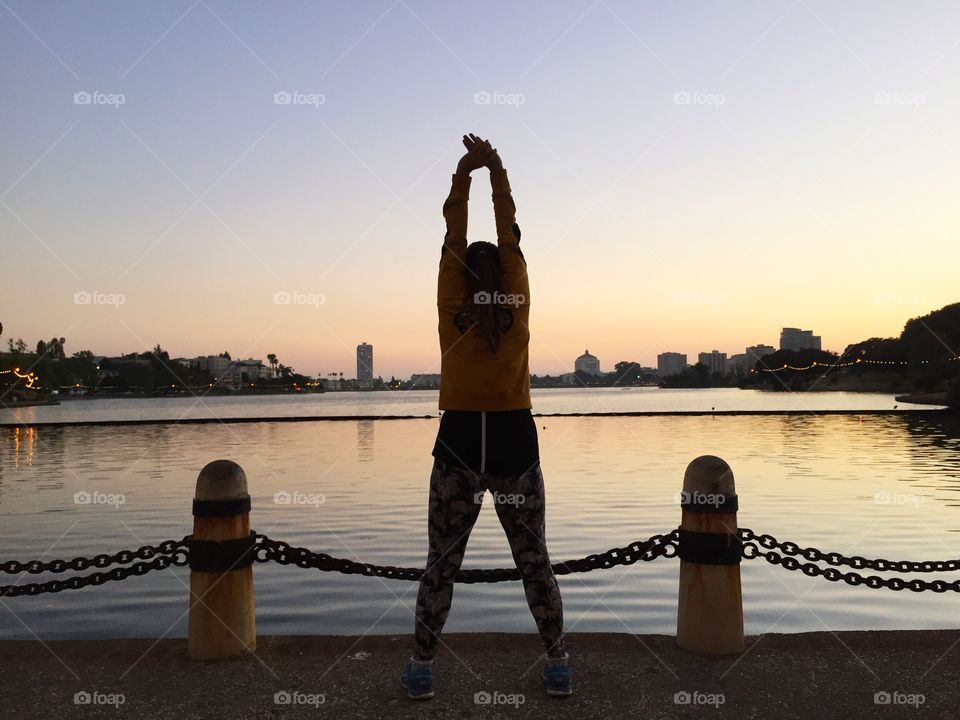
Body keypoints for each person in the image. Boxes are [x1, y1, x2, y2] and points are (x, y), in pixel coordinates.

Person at [400, 134, 571, 700]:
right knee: (534, 561)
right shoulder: (516, 299)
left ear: (462, 274)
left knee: (440, 564)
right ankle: (557, 662)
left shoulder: (453, 303)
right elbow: (510, 231)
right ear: (505, 270)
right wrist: (496, 169)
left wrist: (463, 176)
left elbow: (453, 233)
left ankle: (423, 667)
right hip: (514, 443)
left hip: (457, 445)